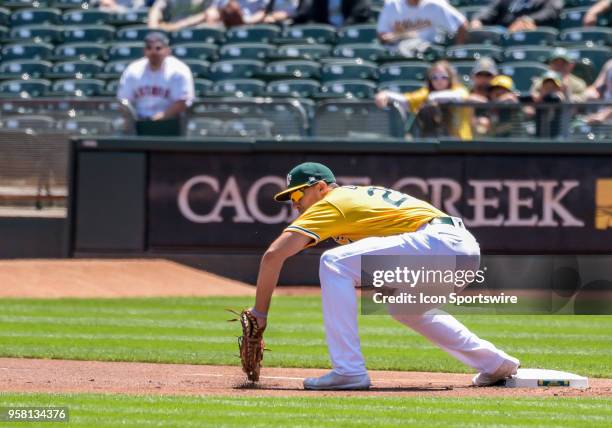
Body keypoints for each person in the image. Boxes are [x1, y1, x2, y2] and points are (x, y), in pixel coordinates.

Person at [246, 162, 520, 390]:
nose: (294, 205)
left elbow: (273, 255)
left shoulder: (331, 203)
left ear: (320, 187)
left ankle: (348, 370)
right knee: (405, 308)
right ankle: (495, 363)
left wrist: (261, 312)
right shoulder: (355, 197)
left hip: (438, 242)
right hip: (463, 251)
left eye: (297, 196)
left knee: (333, 262)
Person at [375, 61, 473, 139]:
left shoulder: (458, 89)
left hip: (460, 143)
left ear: (450, 78)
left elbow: (461, 96)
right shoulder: (426, 93)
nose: (439, 81)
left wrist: (434, 97)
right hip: (436, 143)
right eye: (434, 77)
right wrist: (385, 94)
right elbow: (405, 100)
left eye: (444, 77)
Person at [117, 32, 195, 121]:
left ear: (167, 51)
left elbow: (183, 101)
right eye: (149, 48)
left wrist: (161, 117)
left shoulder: (179, 70)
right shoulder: (133, 70)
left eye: (158, 48)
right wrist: (129, 118)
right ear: (144, 51)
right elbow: (123, 100)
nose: (153, 52)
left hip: (171, 122)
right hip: (138, 120)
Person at [377, 0, 468, 45]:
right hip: (398, 53)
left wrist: (457, 51)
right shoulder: (392, 4)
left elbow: (462, 23)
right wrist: (404, 35)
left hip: (428, 53)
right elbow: (382, 36)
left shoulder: (435, 4)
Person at [470, 0, 564, 32]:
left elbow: (552, 12)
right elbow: (491, 9)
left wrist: (529, 19)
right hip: (504, 32)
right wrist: (478, 20)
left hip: (531, 33)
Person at [213, 0, 298, 26]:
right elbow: (218, 10)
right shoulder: (231, 3)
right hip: (236, 31)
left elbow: (289, 12)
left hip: (266, 32)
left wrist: (273, 16)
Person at [148, 0, 217, 31]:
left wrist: (173, 27)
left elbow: (211, 14)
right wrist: (154, 29)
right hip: (174, 37)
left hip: (200, 34)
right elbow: (156, 9)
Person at [292, 0, 371, 27]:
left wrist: (341, 30)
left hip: (351, 34)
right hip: (327, 36)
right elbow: (315, 17)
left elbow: (360, 15)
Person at [584, 59, 612, 124]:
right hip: (601, 120)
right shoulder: (609, 64)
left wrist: (604, 115)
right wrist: (585, 94)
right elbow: (597, 85)